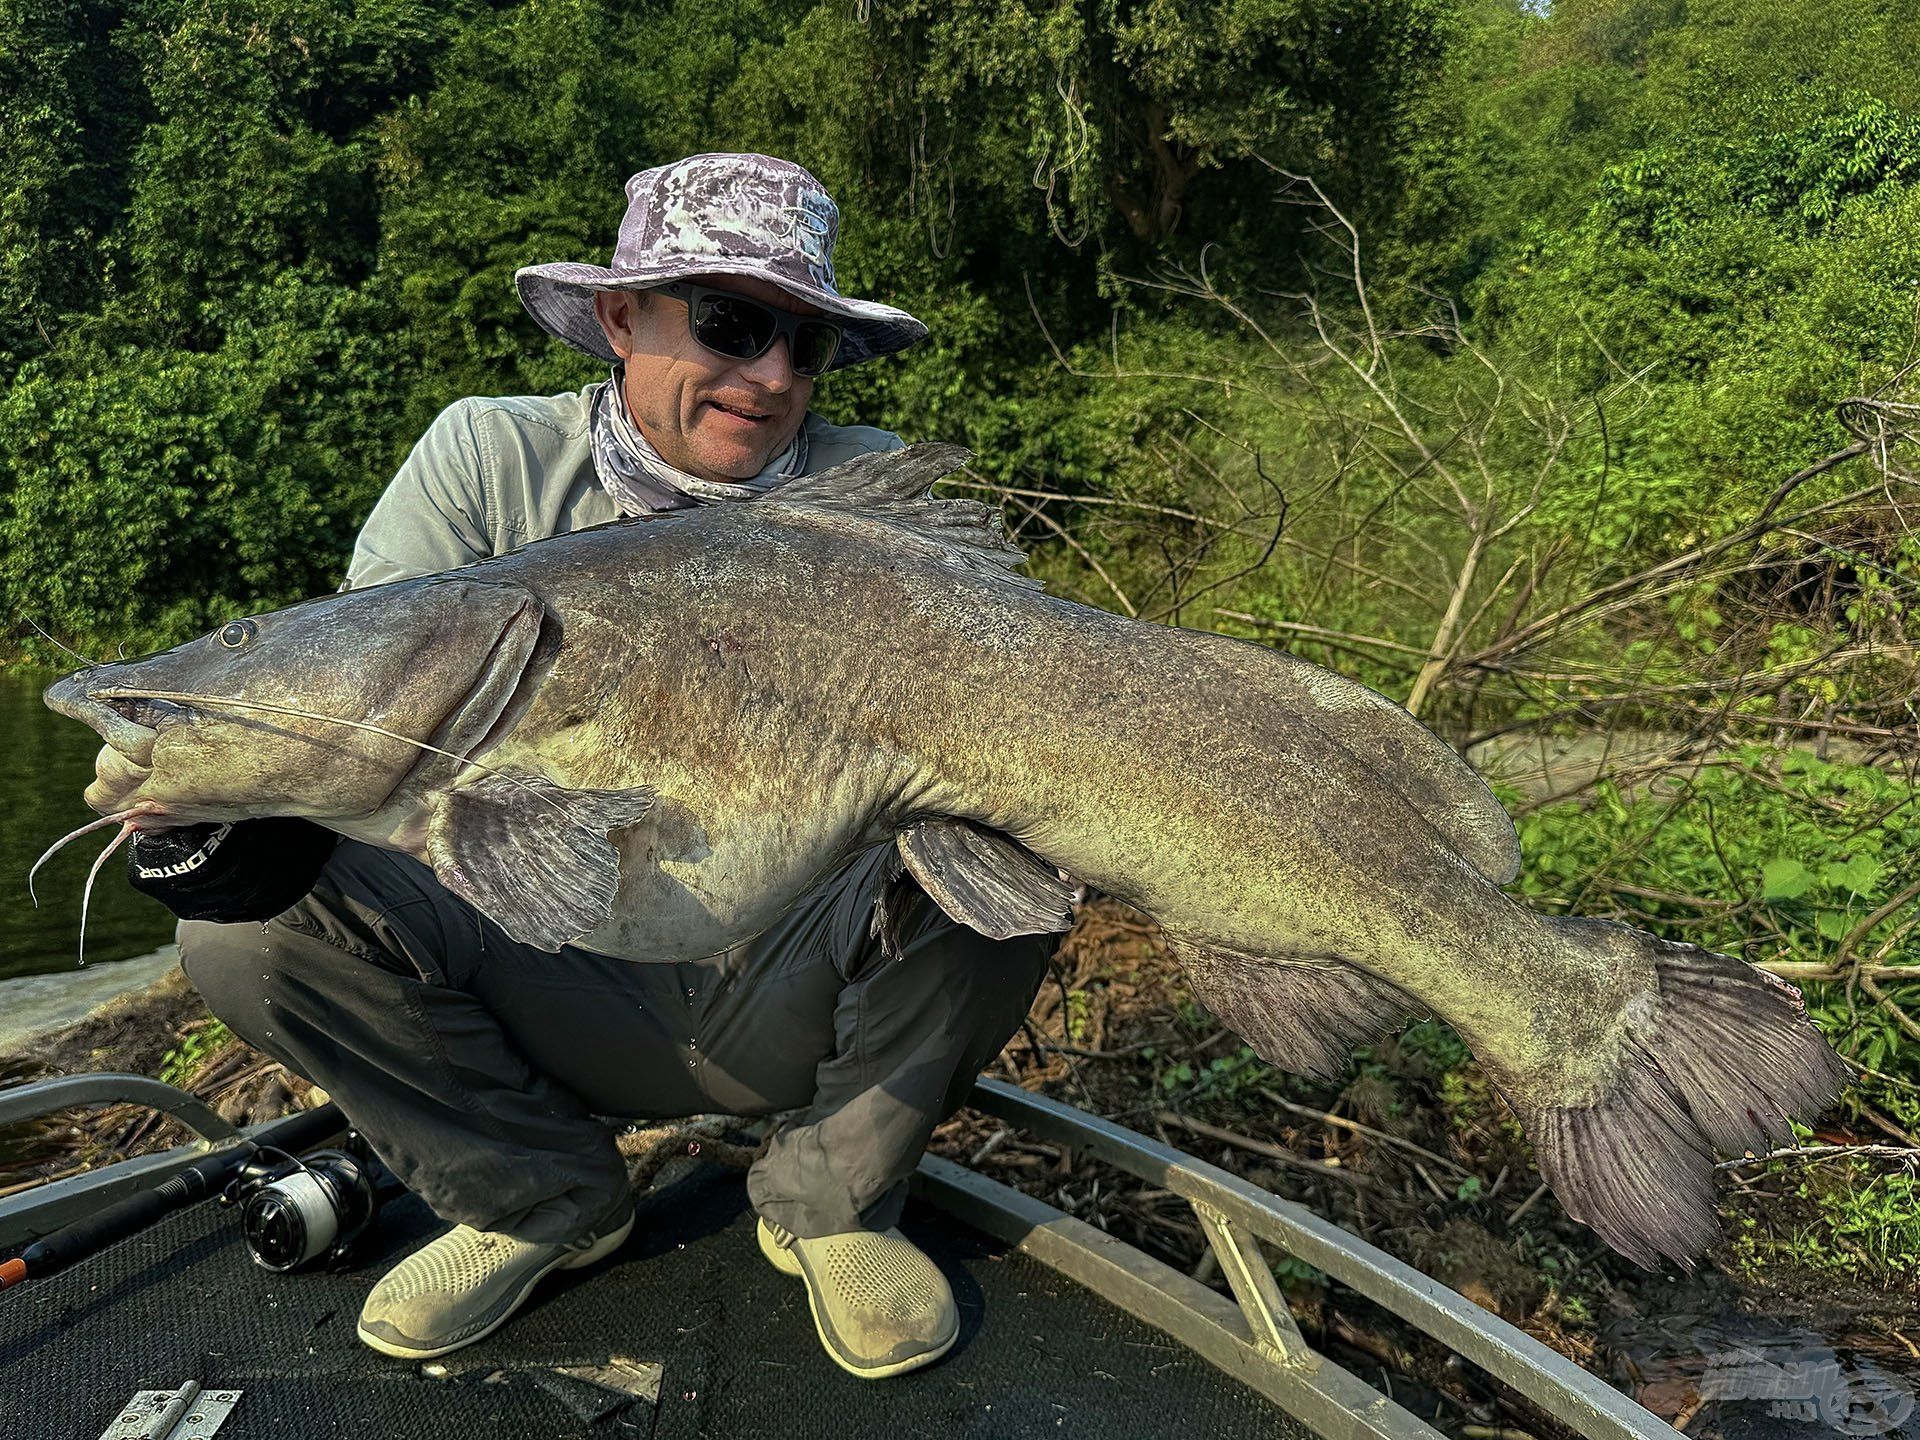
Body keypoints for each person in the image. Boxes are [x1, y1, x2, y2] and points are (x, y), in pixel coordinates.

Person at [116, 153, 1054, 1381]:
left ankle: (834, 1200)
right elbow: (353, 692)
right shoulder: (484, 461)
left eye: (805, 344)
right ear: (620, 318)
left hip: (797, 976)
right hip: (546, 978)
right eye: (730, 323)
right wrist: (251, 822)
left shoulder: (869, 500)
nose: (771, 375)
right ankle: (542, 1197)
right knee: (242, 934)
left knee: (1023, 846)